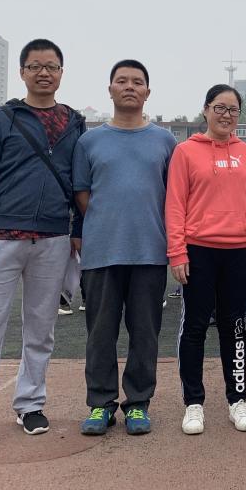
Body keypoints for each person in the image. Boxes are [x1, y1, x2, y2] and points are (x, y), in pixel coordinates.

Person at [0, 38, 86, 452]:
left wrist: (78, 229)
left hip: (54, 239)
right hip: (1, 239)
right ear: (22, 72)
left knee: (41, 329)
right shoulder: (2, 119)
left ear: (61, 72)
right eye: (35, 66)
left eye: (52, 66)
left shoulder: (75, 123)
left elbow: (81, 181)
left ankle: (30, 403)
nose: (44, 73)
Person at [73, 59, 177, 436]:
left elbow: (173, 195)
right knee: (100, 333)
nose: (129, 86)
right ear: (110, 89)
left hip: (150, 251)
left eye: (137, 81)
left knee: (145, 333)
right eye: (122, 81)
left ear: (148, 92)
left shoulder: (165, 141)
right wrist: (109, 222)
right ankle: (101, 404)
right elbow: (82, 194)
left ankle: (137, 403)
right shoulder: (89, 141)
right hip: (102, 252)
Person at [166, 84, 246, 435]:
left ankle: (237, 400)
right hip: (198, 250)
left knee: (234, 325)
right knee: (194, 326)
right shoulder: (185, 152)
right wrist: (177, 252)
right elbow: (175, 205)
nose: (226, 115)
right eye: (220, 108)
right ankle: (193, 403)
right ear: (206, 110)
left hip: (239, 252)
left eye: (233, 109)